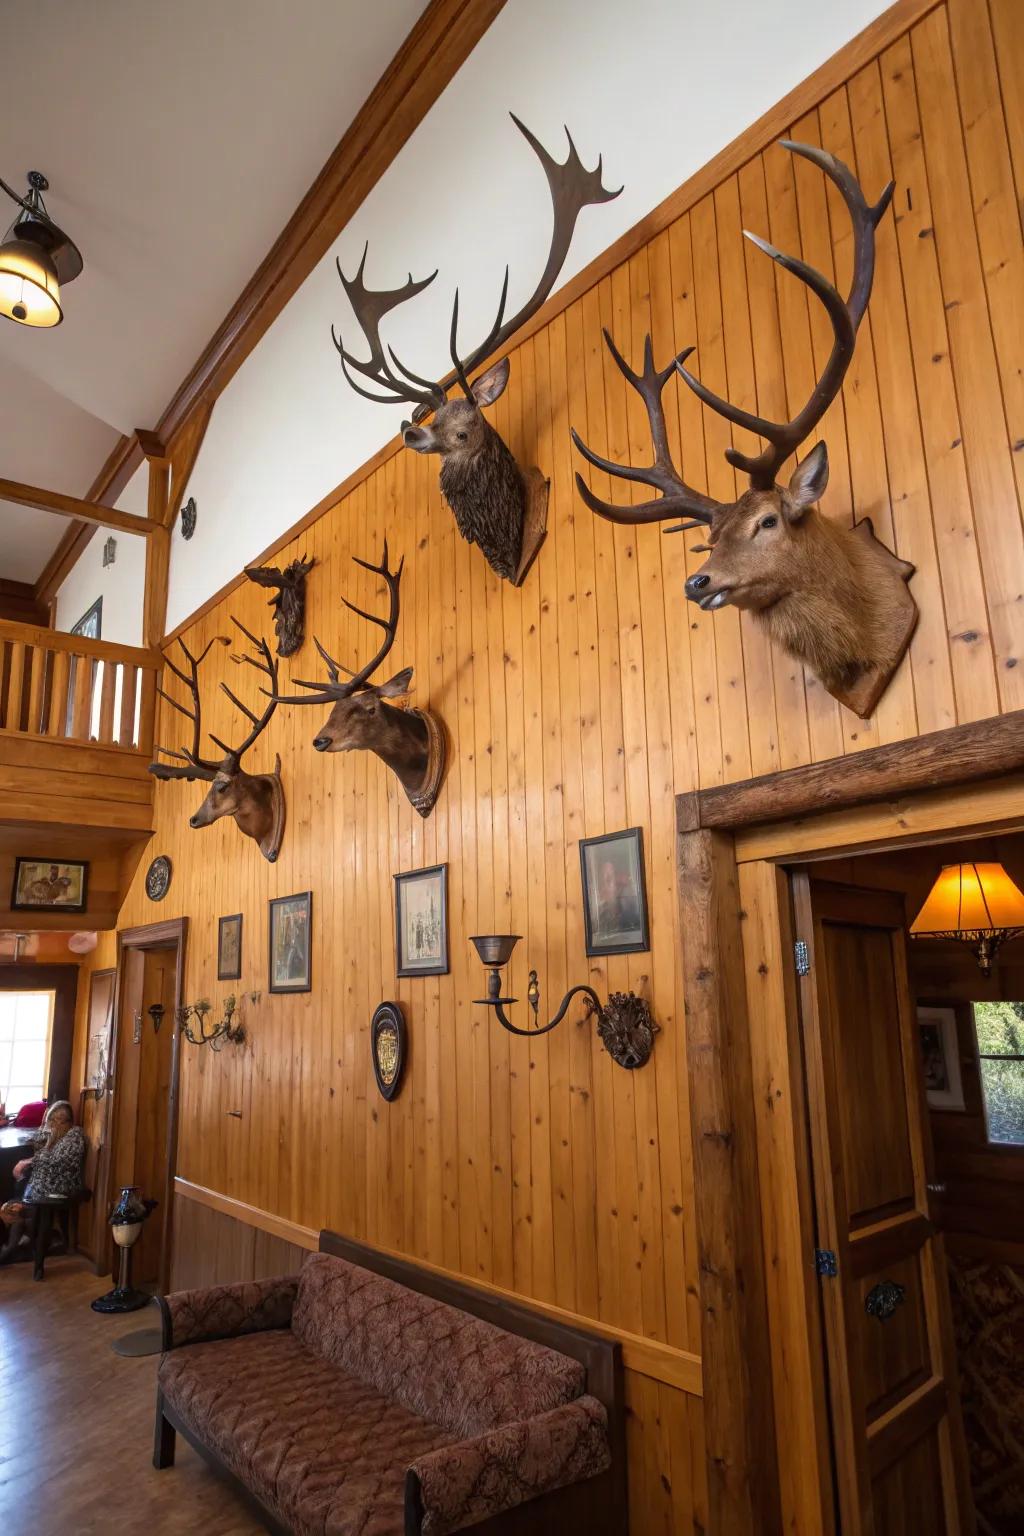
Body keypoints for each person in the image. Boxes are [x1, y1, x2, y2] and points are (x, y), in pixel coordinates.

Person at [0, 1101, 85, 1266]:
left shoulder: (74, 1135)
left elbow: (58, 1159)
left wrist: (29, 1161)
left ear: (62, 1121)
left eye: (52, 1122)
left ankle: (19, 1245)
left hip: (59, 1187)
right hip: (43, 1184)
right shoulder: (55, 1135)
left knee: (21, 1203)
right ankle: (13, 1245)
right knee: (18, 1191)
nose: (49, 1126)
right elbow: (39, 1140)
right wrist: (43, 1123)